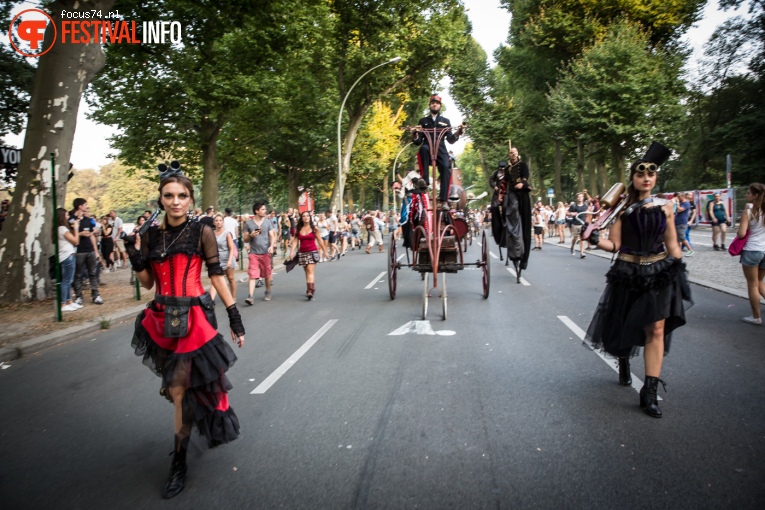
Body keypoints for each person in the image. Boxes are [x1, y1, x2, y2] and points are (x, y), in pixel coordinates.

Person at [125, 161, 245, 498]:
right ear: (160, 199)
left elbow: (216, 276)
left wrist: (234, 316)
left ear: (190, 199)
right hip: (162, 317)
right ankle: (187, 418)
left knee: (178, 391)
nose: (176, 201)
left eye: (182, 195)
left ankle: (178, 463)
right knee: (178, 391)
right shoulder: (150, 235)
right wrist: (135, 258)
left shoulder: (201, 231)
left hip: (194, 319)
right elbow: (148, 283)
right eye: (169, 195)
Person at [586, 142, 692, 418]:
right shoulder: (624, 209)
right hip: (628, 273)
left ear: (655, 177)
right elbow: (616, 245)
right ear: (633, 178)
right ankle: (623, 359)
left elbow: (673, 245)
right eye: (641, 173)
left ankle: (650, 391)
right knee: (624, 323)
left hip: (658, 274)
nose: (646, 178)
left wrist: (679, 270)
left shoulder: (667, 208)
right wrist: (597, 240)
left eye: (651, 173)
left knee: (656, 329)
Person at [411, 94, 465, 209]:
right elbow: (418, 141)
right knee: (423, 148)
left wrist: (458, 133)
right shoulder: (423, 121)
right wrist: (415, 134)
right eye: (432, 103)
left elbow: (450, 140)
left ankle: (444, 200)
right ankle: (425, 181)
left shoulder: (445, 121)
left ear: (440, 106)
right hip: (427, 149)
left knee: (446, 168)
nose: (434, 104)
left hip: (440, 149)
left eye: (437, 103)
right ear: (430, 105)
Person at [735, 183, 765, 325]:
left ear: (755, 195)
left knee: (752, 284)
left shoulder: (749, 211)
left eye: (748, 193)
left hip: (752, 250)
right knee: (760, 282)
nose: (746, 195)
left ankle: (756, 317)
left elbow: (741, 233)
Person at [501, 149, 532, 277]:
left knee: (525, 224)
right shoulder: (507, 169)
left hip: (522, 195)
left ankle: (524, 258)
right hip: (512, 195)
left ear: (517, 154)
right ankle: (507, 242)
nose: (512, 155)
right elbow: (504, 183)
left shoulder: (523, 165)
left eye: (514, 153)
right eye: (510, 153)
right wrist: (499, 195)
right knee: (504, 213)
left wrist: (522, 183)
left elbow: (525, 177)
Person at [288, 210, 328, 300]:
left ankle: (310, 290)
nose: (306, 217)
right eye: (304, 216)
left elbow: (320, 240)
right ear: (301, 218)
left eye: (307, 216)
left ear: (310, 218)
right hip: (302, 253)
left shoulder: (314, 229)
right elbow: (295, 241)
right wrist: (291, 252)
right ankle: (311, 288)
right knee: (307, 272)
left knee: (310, 271)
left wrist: (325, 252)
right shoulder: (299, 229)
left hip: (312, 252)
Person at [70, 198, 103, 305]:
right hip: (78, 251)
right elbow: (68, 235)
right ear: (80, 206)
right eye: (85, 204)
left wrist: (96, 251)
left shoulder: (87, 220)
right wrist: (80, 234)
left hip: (90, 250)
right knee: (78, 275)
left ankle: (96, 295)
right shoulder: (71, 220)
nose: (87, 207)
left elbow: (92, 236)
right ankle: (79, 296)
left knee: (93, 273)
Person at [243, 201, 277, 303]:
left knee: (266, 274)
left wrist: (272, 246)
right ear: (256, 211)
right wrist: (251, 235)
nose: (265, 211)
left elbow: (272, 236)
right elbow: (245, 239)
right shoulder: (248, 223)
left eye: (265, 209)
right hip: (253, 253)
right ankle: (250, 296)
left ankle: (267, 291)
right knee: (252, 274)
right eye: (263, 209)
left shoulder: (268, 222)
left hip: (265, 252)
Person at [56, 208, 81, 311]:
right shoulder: (62, 229)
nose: (68, 217)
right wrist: (76, 229)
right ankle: (63, 303)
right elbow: (76, 241)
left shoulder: (60, 228)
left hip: (67, 255)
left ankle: (69, 301)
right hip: (67, 256)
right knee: (66, 280)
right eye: (66, 215)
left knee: (69, 280)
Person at [209, 213, 237, 303]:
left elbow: (231, 248)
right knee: (215, 279)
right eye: (216, 221)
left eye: (220, 220)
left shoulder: (227, 233)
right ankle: (211, 300)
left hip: (227, 258)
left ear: (223, 222)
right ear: (214, 223)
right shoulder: (212, 234)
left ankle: (233, 297)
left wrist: (229, 261)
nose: (218, 222)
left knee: (230, 278)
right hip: (217, 259)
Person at [489, 161, 509, 252]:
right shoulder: (496, 173)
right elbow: (491, 180)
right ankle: (497, 226)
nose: (502, 170)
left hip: (506, 194)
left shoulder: (509, 172)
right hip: (498, 194)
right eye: (501, 168)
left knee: (506, 206)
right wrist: (494, 186)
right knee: (494, 207)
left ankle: (506, 222)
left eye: (503, 168)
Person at [568, 193, 589, 259]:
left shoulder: (585, 205)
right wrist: (572, 213)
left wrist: (588, 213)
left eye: (581, 197)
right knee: (575, 238)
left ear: (583, 198)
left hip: (582, 224)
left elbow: (588, 212)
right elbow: (567, 212)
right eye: (579, 197)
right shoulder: (574, 205)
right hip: (575, 224)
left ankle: (582, 252)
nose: (580, 198)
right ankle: (572, 246)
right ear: (576, 198)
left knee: (582, 238)